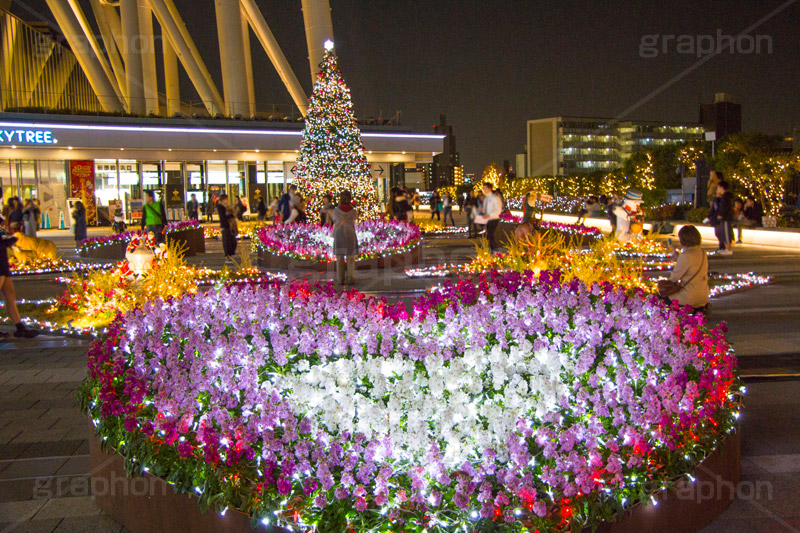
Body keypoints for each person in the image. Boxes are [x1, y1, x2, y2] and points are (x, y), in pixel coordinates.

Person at [0, 228, 39, 338]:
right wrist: (13, 240)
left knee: (10, 296)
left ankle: (20, 327)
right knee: (9, 297)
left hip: (3, 265)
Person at [661, 225, 709, 313]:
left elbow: (674, 278)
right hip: (703, 296)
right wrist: (675, 254)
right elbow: (691, 263)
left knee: (662, 297)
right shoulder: (702, 252)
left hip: (689, 296)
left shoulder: (685, 256)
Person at [332, 190, 359, 286]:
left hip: (339, 234)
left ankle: (340, 279)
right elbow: (354, 219)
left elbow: (334, 220)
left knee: (339, 258)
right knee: (350, 258)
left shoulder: (336, 211)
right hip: (350, 234)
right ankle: (351, 278)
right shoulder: (354, 211)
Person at [713, 179, 734, 255]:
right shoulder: (726, 196)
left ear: (722, 188)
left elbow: (724, 207)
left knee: (726, 233)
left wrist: (721, 214)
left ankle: (728, 249)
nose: (718, 190)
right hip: (726, 217)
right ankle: (726, 248)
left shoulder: (725, 196)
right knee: (725, 233)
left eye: (718, 188)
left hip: (725, 218)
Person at [481, 182, 503, 251]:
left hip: (494, 219)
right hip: (488, 220)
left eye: (485, 188)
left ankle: (495, 251)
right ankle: (491, 251)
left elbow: (498, 209)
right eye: (483, 188)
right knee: (488, 237)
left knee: (490, 236)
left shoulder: (495, 198)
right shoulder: (486, 198)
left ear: (489, 189)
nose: (484, 190)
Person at [216, 194, 237, 262]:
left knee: (232, 241)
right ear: (223, 200)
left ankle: (230, 254)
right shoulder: (220, 207)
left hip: (230, 226)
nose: (227, 200)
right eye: (226, 199)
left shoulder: (228, 206)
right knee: (226, 242)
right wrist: (230, 216)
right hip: (225, 226)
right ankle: (227, 256)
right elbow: (223, 217)